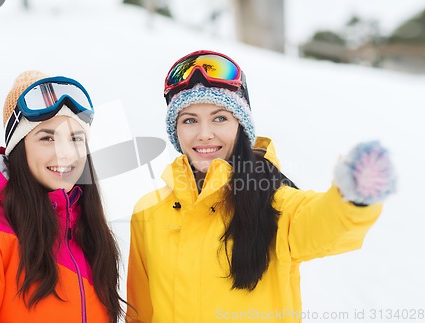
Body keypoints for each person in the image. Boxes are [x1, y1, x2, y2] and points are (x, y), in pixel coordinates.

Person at [126, 50, 396, 322]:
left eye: (220, 118)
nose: (204, 133)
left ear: (240, 126)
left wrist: (353, 197)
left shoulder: (274, 201)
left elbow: (323, 221)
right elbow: (140, 313)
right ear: (176, 130)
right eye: (189, 120)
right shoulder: (148, 211)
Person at [0, 71, 124, 322]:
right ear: (19, 148)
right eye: (47, 138)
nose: (65, 153)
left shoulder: (92, 239)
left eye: (75, 138)